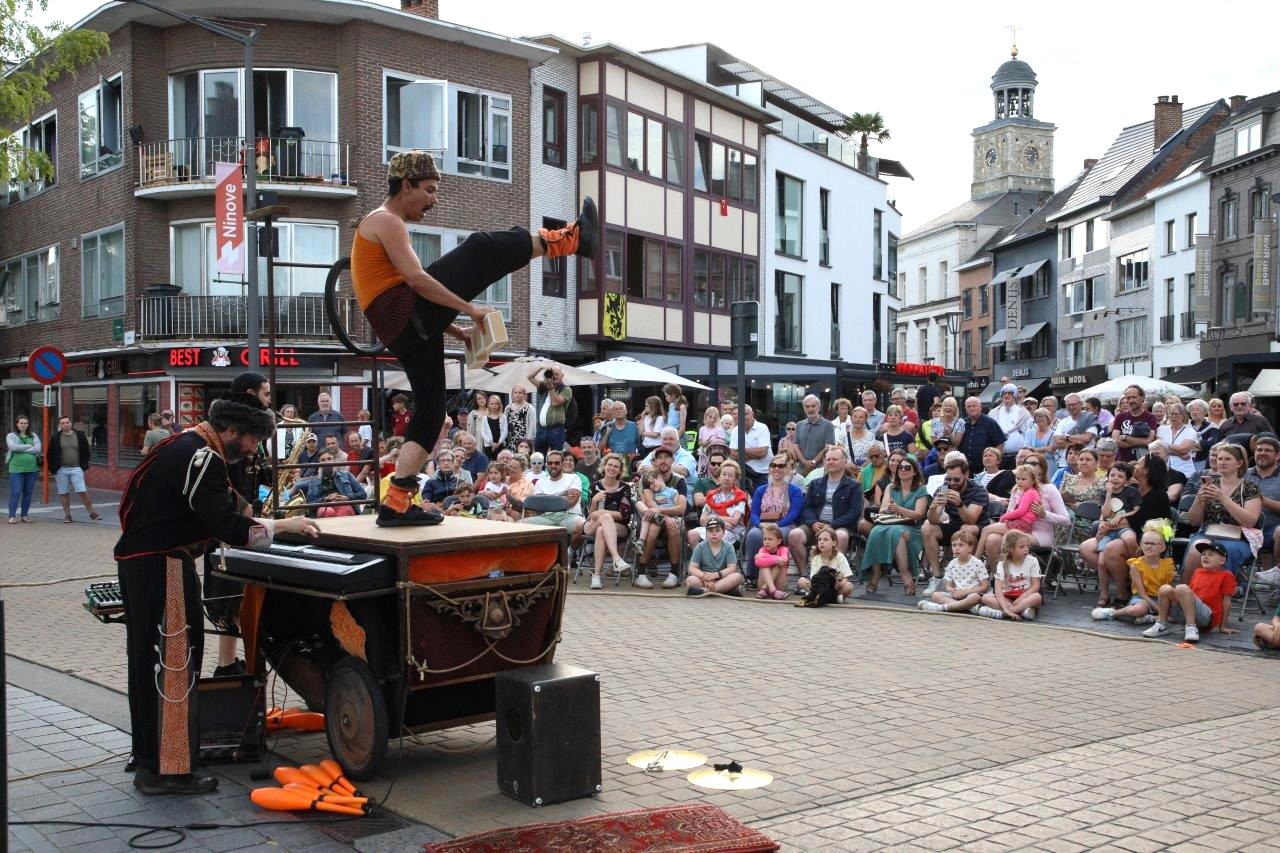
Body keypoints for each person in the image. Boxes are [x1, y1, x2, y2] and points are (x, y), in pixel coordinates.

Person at [351, 151, 596, 526]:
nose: (434, 200)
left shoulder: (384, 224)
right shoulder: (386, 221)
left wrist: (453, 328)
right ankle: (566, 240)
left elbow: (406, 288)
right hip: (406, 313)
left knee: (432, 413)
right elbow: (417, 282)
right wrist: (469, 310)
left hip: (405, 328)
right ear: (406, 185)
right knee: (481, 247)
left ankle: (395, 503)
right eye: (429, 190)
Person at [115, 397, 319, 795]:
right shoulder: (204, 457)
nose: (254, 450)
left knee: (145, 659)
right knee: (175, 661)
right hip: (164, 567)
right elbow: (229, 526)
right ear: (231, 433)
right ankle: (166, 772)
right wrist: (285, 527)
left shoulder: (187, 443)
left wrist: (267, 517)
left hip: (141, 562)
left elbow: (228, 501)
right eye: (253, 441)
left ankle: (147, 755)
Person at [1183, 442, 1262, 583]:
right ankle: (1186, 594)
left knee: (1220, 552)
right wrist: (1199, 500)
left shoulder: (1250, 487)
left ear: (1239, 463)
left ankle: (1215, 596)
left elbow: (1250, 521)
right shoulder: (1210, 484)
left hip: (1237, 538)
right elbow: (1194, 521)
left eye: (1227, 459)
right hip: (1207, 533)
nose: (1222, 462)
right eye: (1220, 459)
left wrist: (1223, 498)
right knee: (1197, 549)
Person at [920, 457, 991, 594]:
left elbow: (971, 520)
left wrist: (959, 504)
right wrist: (933, 508)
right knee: (927, 528)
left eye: (956, 479)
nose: (952, 483)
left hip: (977, 528)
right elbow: (933, 520)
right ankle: (938, 577)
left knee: (966, 529)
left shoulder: (978, 490)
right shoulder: (944, 488)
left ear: (966, 475)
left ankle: (970, 578)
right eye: (949, 478)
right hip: (954, 526)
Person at [1143, 540, 1238, 643]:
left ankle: (1191, 627)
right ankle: (1162, 624)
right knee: (1165, 589)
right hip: (1188, 613)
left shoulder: (1226, 575)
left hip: (1207, 617)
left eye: (1210, 554)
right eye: (1203, 554)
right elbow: (1188, 596)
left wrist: (1222, 626)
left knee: (1181, 588)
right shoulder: (1198, 572)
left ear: (1222, 560)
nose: (1205, 557)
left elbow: (1227, 602)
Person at [860, 455, 928, 595]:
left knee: (896, 533)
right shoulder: (891, 487)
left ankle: (904, 574)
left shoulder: (921, 490)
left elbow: (919, 515)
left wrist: (899, 509)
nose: (903, 470)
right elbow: (883, 510)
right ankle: (876, 572)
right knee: (876, 531)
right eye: (900, 468)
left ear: (915, 471)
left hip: (912, 528)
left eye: (907, 468)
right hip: (890, 524)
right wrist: (887, 509)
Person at [743, 453, 807, 583]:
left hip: (784, 525)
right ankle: (752, 576)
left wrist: (778, 525)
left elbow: (794, 513)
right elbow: (754, 513)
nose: (777, 468)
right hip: (764, 525)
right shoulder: (760, 490)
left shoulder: (794, 490)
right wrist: (760, 525)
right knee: (753, 534)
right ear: (770, 468)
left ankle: (776, 573)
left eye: (781, 466)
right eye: (774, 465)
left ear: (787, 469)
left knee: (775, 536)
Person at [790, 445, 863, 558]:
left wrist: (832, 525)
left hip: (840, 526)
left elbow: (855, 512)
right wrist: (813, 523)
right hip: (815, 525)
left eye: (835, 459)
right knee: (795, 535)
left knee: (841, 536)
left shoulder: (854, 486)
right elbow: (807, 507)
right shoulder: (815, 483)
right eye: (828, 459)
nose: (831, 462)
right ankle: (803, 573)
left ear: (844, 462)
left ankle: (834, 573)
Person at [1092, 528, 1174, 623]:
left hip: (1161, 598)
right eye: (1145, 543)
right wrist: (1159, 610)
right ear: (1141, 545)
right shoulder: (1136, 565)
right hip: (1144, 598)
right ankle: (1113, 613)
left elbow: (1169, 589)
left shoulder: (1167, 565)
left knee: (1179, 613)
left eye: (1153, 544)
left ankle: (1150, 618)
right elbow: (1142, 594)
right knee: (1137, 610)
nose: (1149, 546)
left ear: (1163, 548)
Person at [584, 453, 634, 588]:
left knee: (602, 529)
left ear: (620, 470)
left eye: (616, 466)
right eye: (610, 465)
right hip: (591, 525)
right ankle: (616, 558)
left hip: (619, 527)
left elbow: (624, 514)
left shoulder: (625, 487)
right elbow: (591, 515)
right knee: (604, 519)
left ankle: (596, 577)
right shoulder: (594, 486)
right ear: (604, 466)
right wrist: (595, 500)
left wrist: (603, 511)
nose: (612, 468)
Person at [523, 449, 586, 548]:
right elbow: (537, 507)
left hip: (569, 515)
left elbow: (571, 502)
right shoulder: (540, 482)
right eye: (550, 463)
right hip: (546, 517)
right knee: (519, 525)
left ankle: (570, 553)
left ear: (562, 464)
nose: (553, 466)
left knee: (581, 526)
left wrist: (547, 499)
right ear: (546, 465)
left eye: (557, 463)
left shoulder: (574, 478)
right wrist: (563, 496)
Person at [917, 529, 988, 613]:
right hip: (957, 595)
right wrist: (952, 591)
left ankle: (942, 608)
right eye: (954, 545)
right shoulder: (952, 563)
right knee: (936, 595)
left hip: (971, 594)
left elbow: (984, 586)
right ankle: (966, 607)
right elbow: (948, 585)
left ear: (970, 548)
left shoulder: (977, 563)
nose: (956, 548)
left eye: (961, 545)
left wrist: (965, 592)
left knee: (976, 597)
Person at [976, 530, 1043, 620]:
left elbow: (1036, 585)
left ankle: (1003, 614)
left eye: (1027, 546)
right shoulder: (1002, 564)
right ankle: (1023, 612)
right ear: (1011, 549)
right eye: (1022, 547)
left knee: (1037, 597)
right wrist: (1004, 606)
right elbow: (998, 589)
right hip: (1008, 597)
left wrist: (1022, 597)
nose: (1026, 549)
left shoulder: (1032, 561)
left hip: (1025, 596)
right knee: (985, 598)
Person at [46, 415, 101, 523]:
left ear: (70, 423)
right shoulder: (56, 437)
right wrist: (54, 469)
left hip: (76, 468)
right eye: (63, 423)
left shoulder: (79, 435)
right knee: (64, 492)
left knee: (82, 491)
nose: (65, 425)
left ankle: (92, 512)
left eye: (67, 422)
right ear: (60, 425)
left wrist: (83, 465)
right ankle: (67, 515)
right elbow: (50, 454)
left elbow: (86, 451)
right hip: (61, 469)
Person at [687, 459, 750, 548]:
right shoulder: (712, 495)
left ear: (735, 479)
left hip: (733, 531)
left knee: (716, 535)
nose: (727, 478)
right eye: (724, 474)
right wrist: (722, 523)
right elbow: (702, 520)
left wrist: (714, 517)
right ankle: (702, 561)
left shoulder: (740, 496)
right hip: (713, 527)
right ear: (719, 477)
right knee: (692, 534)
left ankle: (713, 561)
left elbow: (734, 521)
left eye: (730, 475)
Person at [289, 449, 366, 517]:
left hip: (345, 504)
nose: (327, 462)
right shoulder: (313, 482)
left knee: (346, 510)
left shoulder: (347, 475)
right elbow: (310, 504)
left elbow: (363, 494)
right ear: (319, 463)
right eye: (323, 460)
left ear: (334, 460)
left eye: (329, 459)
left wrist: (346, 497)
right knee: (326, 512)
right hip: (324, 507)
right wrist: (325, 499)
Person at [1247, 435, 1280, 575]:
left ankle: (1276, 573)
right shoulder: (1244, 474)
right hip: (1247, 529)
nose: (1262, 453)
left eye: (1268, 450)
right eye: (1259, 450)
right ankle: (1237, 583)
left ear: (1277, 455)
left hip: (1273, 530)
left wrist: (1261, 499)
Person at [684, 517, 742, 597]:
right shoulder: (700, 546)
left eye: (717, 530)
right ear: (706, 533)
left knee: (737, 577)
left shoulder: (729, 547)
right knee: (690, 580)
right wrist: (705, 577)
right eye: (710, 531)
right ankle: (725, 590)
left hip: (722, 578)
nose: (714, 533)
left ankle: (704, 592)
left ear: (724, 533)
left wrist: (715, 575)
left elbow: (732, 568)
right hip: (704, 578)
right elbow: (692, 568)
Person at [796, 527, 854, 604]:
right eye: (819, 540)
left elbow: (845, 577)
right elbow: (813, 578)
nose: (821, 542)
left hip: (833, 588)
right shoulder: (816, 558)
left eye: (826, 539)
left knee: (849, 586)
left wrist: (840, 583)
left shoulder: (839, 556)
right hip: (819, 587)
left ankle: (830, 598)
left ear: (834, 543)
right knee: (801, 580)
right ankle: (819, 597)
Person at [727, 404, 773, 490]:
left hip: (763, 472)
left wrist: (741, 449)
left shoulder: (762, 428)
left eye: (746, 414)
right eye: (741, 414)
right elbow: (733, 454)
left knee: (761, 501)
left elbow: (763, 453)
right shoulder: (735, 430)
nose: (743, 417)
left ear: (753, 415)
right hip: (745, 471)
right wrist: (756, 454)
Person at [6, 414, 41, 523]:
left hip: (32, 469)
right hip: (16, 469)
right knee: (16, 492)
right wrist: (29, 446)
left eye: (25, 423)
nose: (23, 425)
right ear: (17, 424)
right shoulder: (11, 435)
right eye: (21, 423)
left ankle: (24, 515)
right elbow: (12, 447)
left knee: (28, 492)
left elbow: (38, 449)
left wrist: (21, 449)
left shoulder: (33, 435)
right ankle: (12, 516)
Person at [956, 396, 1005, 473]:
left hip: (985, 470)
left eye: (974, 405)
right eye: (969, 406)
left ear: (980, 407)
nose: (972, 408)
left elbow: (1000, 444)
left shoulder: (990, 423)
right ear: (966, 409)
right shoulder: (962, 423)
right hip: (965, 469)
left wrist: (995, 463)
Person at [1112, 385, 1158, 463]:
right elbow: (1115, 441)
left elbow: (1148, 441)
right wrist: (1140, 442)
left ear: (1142, 398)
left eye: (1134, 397)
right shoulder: (1120, 417)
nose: (1131, 400)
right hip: (1123, 463)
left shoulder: (1151, 417)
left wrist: (1125, 437)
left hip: (1142, 463)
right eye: (1128, 398)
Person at [992, 384, 1031, 468]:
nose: (1006, 395)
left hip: (1018, 458)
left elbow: (1030, 434)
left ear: (1015, 396)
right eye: (1004, 393)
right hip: (998, 458)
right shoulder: (993, 413)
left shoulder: (1024, 414)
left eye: (1010, 393)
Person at [794, 394, 836, 474]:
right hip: (801, 468)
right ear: (804, 409)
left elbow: (828, 447)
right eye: (807, 406)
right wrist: (804, 461)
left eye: (813, 406)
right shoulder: (799, 425)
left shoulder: (828, 425)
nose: (810, 409)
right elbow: (795, 445)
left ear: (819, 407)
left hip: (820, 468)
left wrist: (813, 462)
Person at [1157, 402, 1199, 480]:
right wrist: (1180, 454)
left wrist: (1163, 444)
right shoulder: (1161, 429)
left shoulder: (1190, 431)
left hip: (1184, 472)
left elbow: (1183, 449)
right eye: (1171, 414)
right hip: (1164, 472)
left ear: (1183, 416)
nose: (1173, 416)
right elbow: (1158, 450)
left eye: (1176, 414)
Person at [753, 522, 792, 600]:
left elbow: (784, 560)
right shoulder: (762, 549)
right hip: (763, 585)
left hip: (779, 585)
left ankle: (767, 588)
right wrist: (776, 559)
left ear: (778, 541)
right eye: (765, 539)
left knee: (779, 564)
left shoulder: (783, 549)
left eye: (770, 539)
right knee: (764, 565)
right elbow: (757, 562)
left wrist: (765, 556)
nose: (766, 542)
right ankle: (773, 590)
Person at [1023, 408, 1057, 476]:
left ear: (1048, 418)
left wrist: (1034, 449)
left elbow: (1051, 449)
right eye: (1037, 417)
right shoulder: (1029, 432)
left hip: (1049, 465)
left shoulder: (1054, 433)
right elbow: (1027, 449)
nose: (1039, 418)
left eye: (1042, 416)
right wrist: (1045, 448)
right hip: (1032, 464)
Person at [696, 406, 728, 476]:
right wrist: (703, 443)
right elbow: (699, 442)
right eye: (710, 417)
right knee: (703, 473)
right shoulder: (702, 429)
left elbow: (722, 443)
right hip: (704, 455)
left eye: (714, 418)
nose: (712, 419)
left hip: (715, 455)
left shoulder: (719, 429)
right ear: (706, 417)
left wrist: (712, 441)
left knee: (713, 473)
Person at [1187, 399, 1217, 472]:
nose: (1194, 412)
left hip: (1204, 460)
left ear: (1205, 412)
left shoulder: (1212, 427)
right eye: (1192, 410)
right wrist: (1202, 445)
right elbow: (1180, 443)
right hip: (1186, 461)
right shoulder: (1185, 427)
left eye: (1197, 409)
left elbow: (1212, 445)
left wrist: (1190, 445)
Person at [503, 385, 536, 451]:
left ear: (524, 395)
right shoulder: (508, 408)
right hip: (510, 440)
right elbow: (504, 424)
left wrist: (528, 440)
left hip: (523, 441)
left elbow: (533, 424)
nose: (517, 394)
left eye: (520, 393)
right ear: (512, 394)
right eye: (515, 392)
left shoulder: (529, 407)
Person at [477, 393, 508, 458]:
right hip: (489, 445)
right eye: (492, 403)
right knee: (489, 463)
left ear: (499, 405)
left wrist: (499, 443)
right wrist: (491, 443)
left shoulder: (503, 417)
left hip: (500, 444)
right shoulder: (485, 418)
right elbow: (483, 432)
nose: (494, 405)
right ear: (489, 405)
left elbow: (505, 431)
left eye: (496, 404)